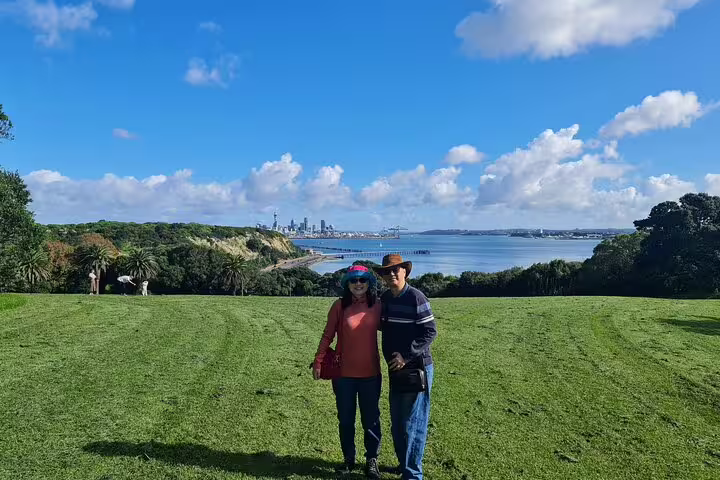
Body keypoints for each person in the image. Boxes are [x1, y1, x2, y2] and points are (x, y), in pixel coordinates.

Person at [313, 265, 382, 478]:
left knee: (371, 420)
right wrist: (318, 361)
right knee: (346, 420)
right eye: (354, 281)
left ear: (369, 282)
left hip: (371, 374)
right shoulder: (339, 306)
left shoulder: (378, 305)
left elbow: (396, 328)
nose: (358, 284)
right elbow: (327, 336)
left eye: (363, 280)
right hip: (343, 376)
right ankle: (348, 460)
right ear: (347, 284)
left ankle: (372, 460)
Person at [373, 254, 437, 480]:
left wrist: (406, 356)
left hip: (416, 368)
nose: (391, 274)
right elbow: (383, 325)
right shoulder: (386, 299)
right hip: (395, 368)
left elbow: (430, 331)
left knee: (413, 423)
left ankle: (412, 474)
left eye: (395, 270)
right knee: (399, 422)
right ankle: (404, 464)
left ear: (405, 272)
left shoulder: (416, 297)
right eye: (386, 271)